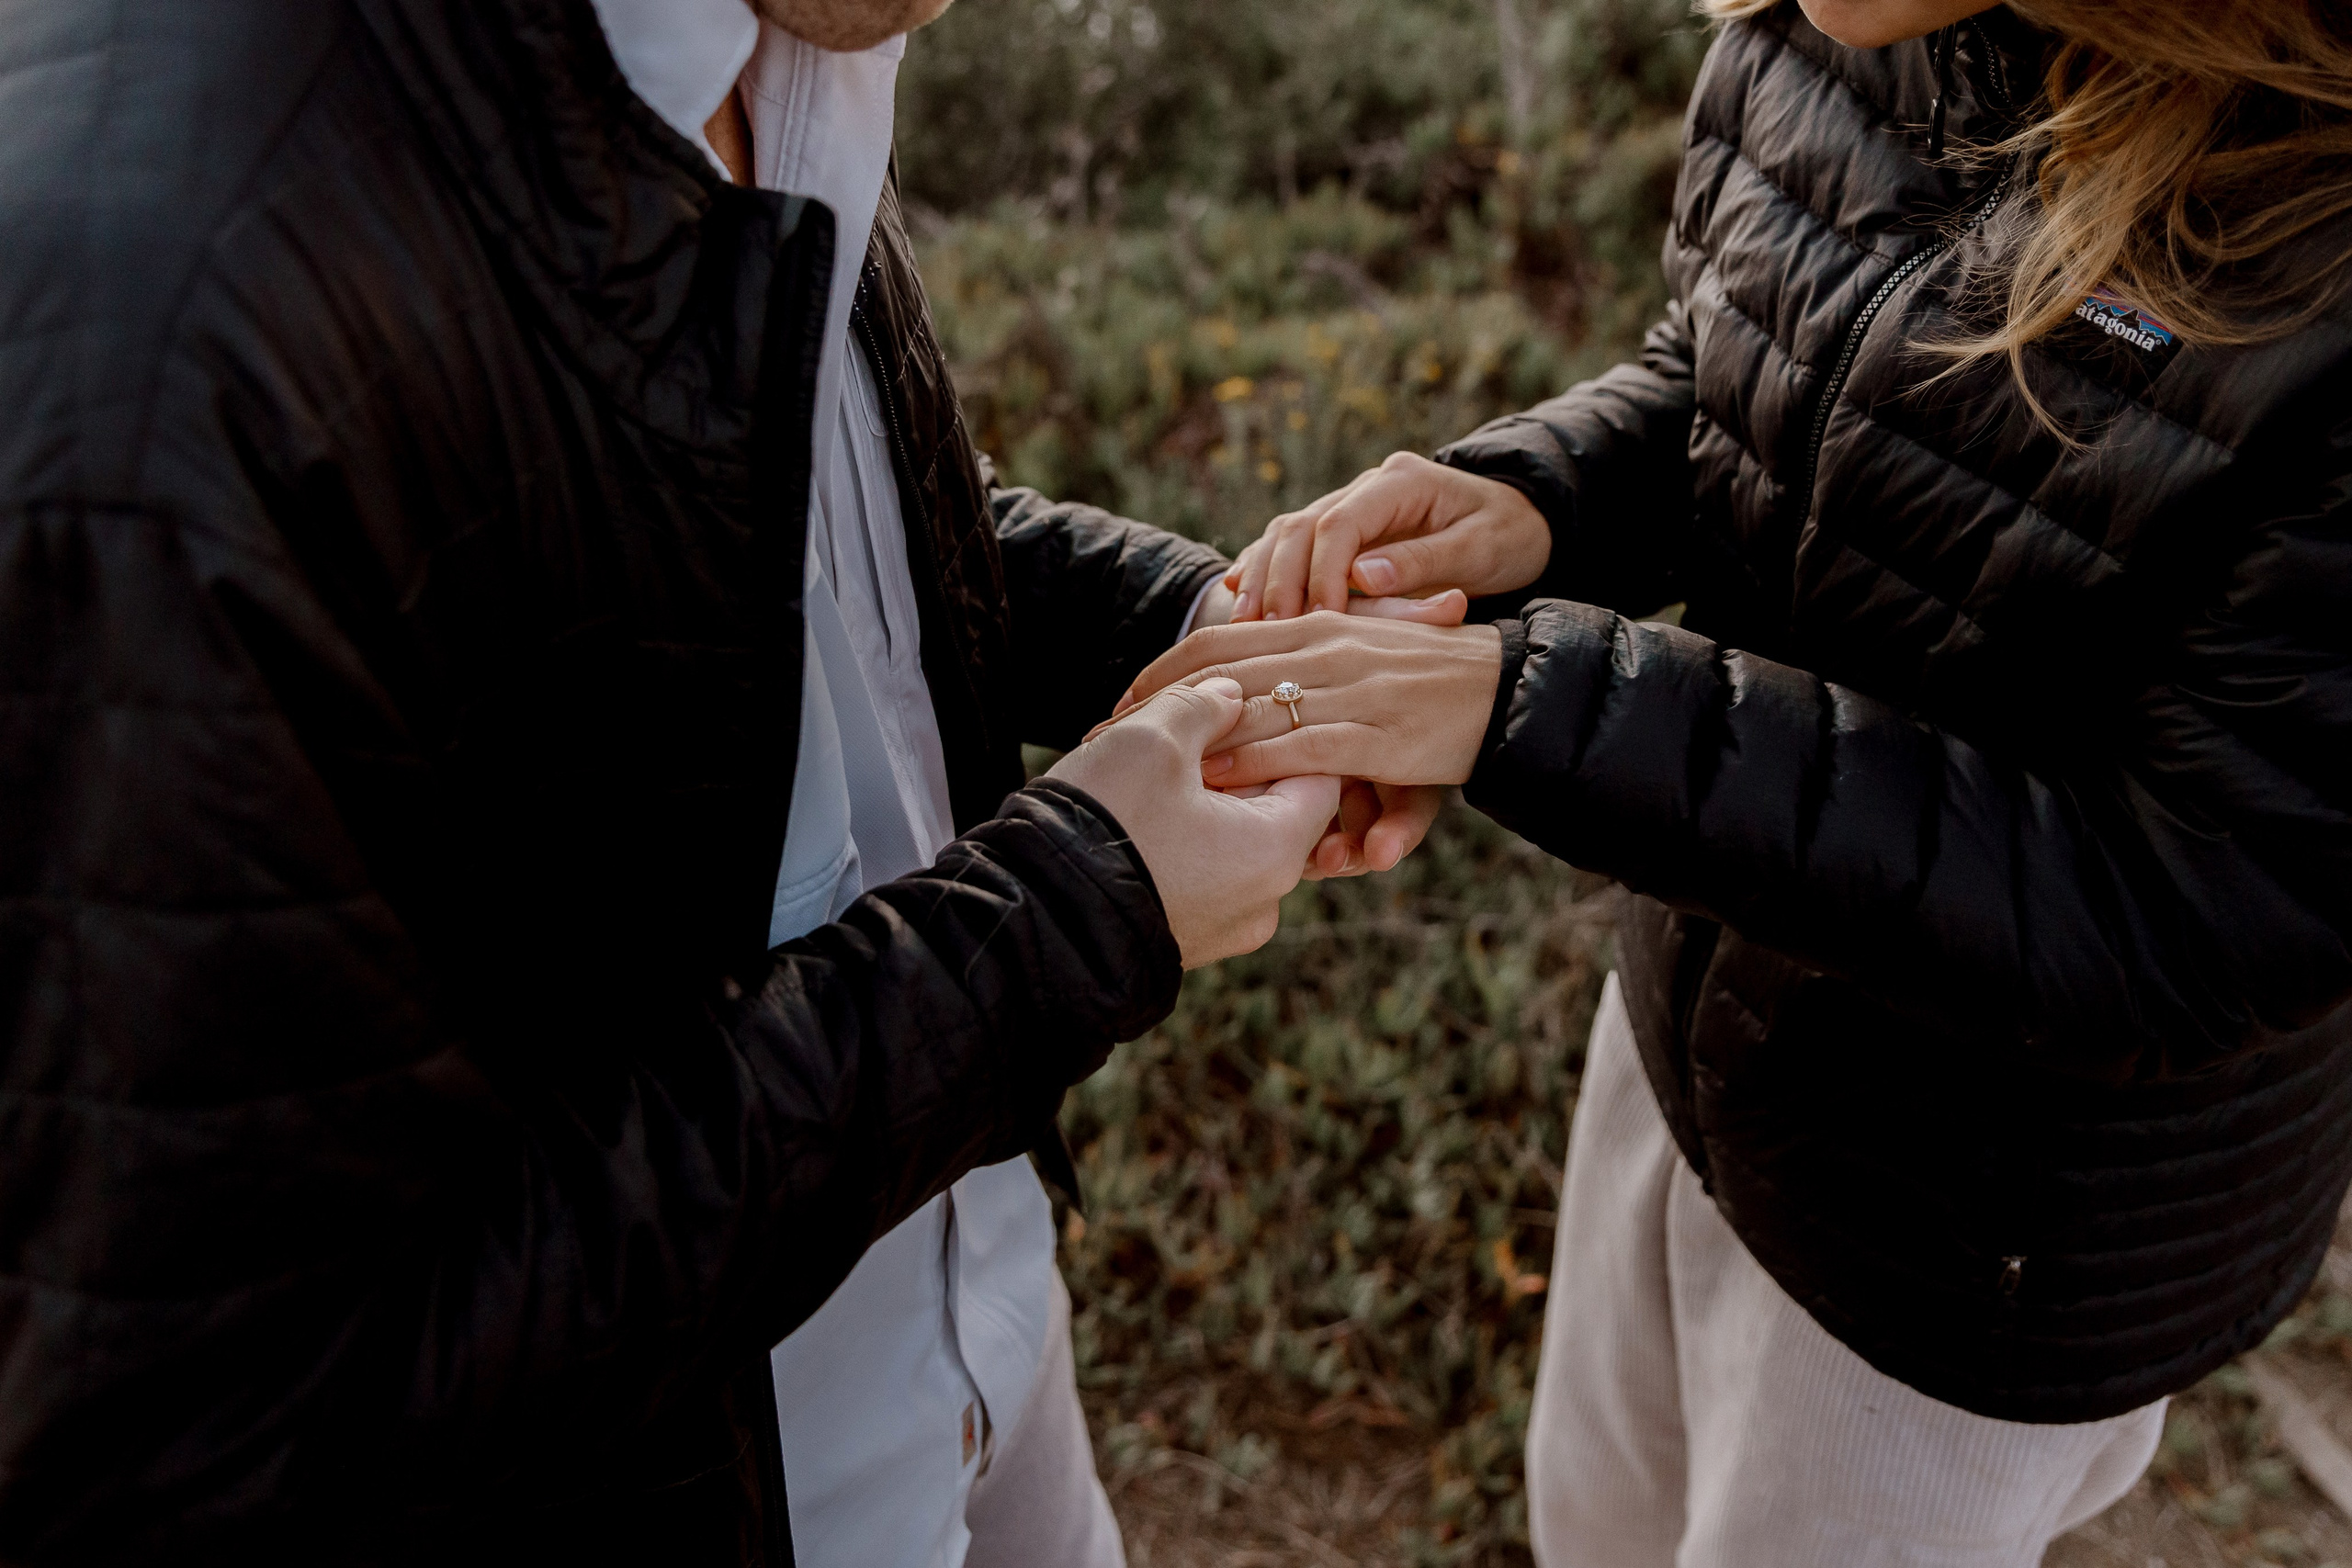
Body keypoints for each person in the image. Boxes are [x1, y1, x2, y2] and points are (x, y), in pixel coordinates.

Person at [0, 0, 1344, 1563]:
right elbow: (248, 1420)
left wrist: (1199, 625)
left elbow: (788, 513)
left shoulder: (775, 42)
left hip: (979, 1348)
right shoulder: (157, 340)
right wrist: (1063, 916)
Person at [1125, 0, 2352, 1562]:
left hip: (1973, 1236)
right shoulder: (1831, 24)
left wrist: (1543, 704)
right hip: (1691, 1031)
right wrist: (1533, 504)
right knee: (1593, 1528)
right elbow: (1754, 377)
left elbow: (2195, 906)